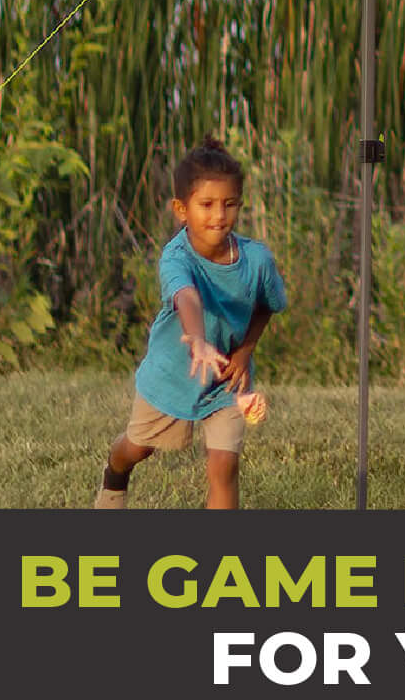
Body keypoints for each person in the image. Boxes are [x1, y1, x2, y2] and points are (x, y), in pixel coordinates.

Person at [95, 138, 287, 511]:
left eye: (229, 204)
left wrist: (245, 352)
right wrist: (197, 340)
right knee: (137, 448)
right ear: (181, 210)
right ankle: (114, 476)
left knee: (224, 466)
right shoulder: (176, 257)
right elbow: (187, 297)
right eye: (207, 204)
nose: (219, 215)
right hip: (173, 374)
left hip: (226, 378)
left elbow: (267, 305)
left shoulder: (256, 259)